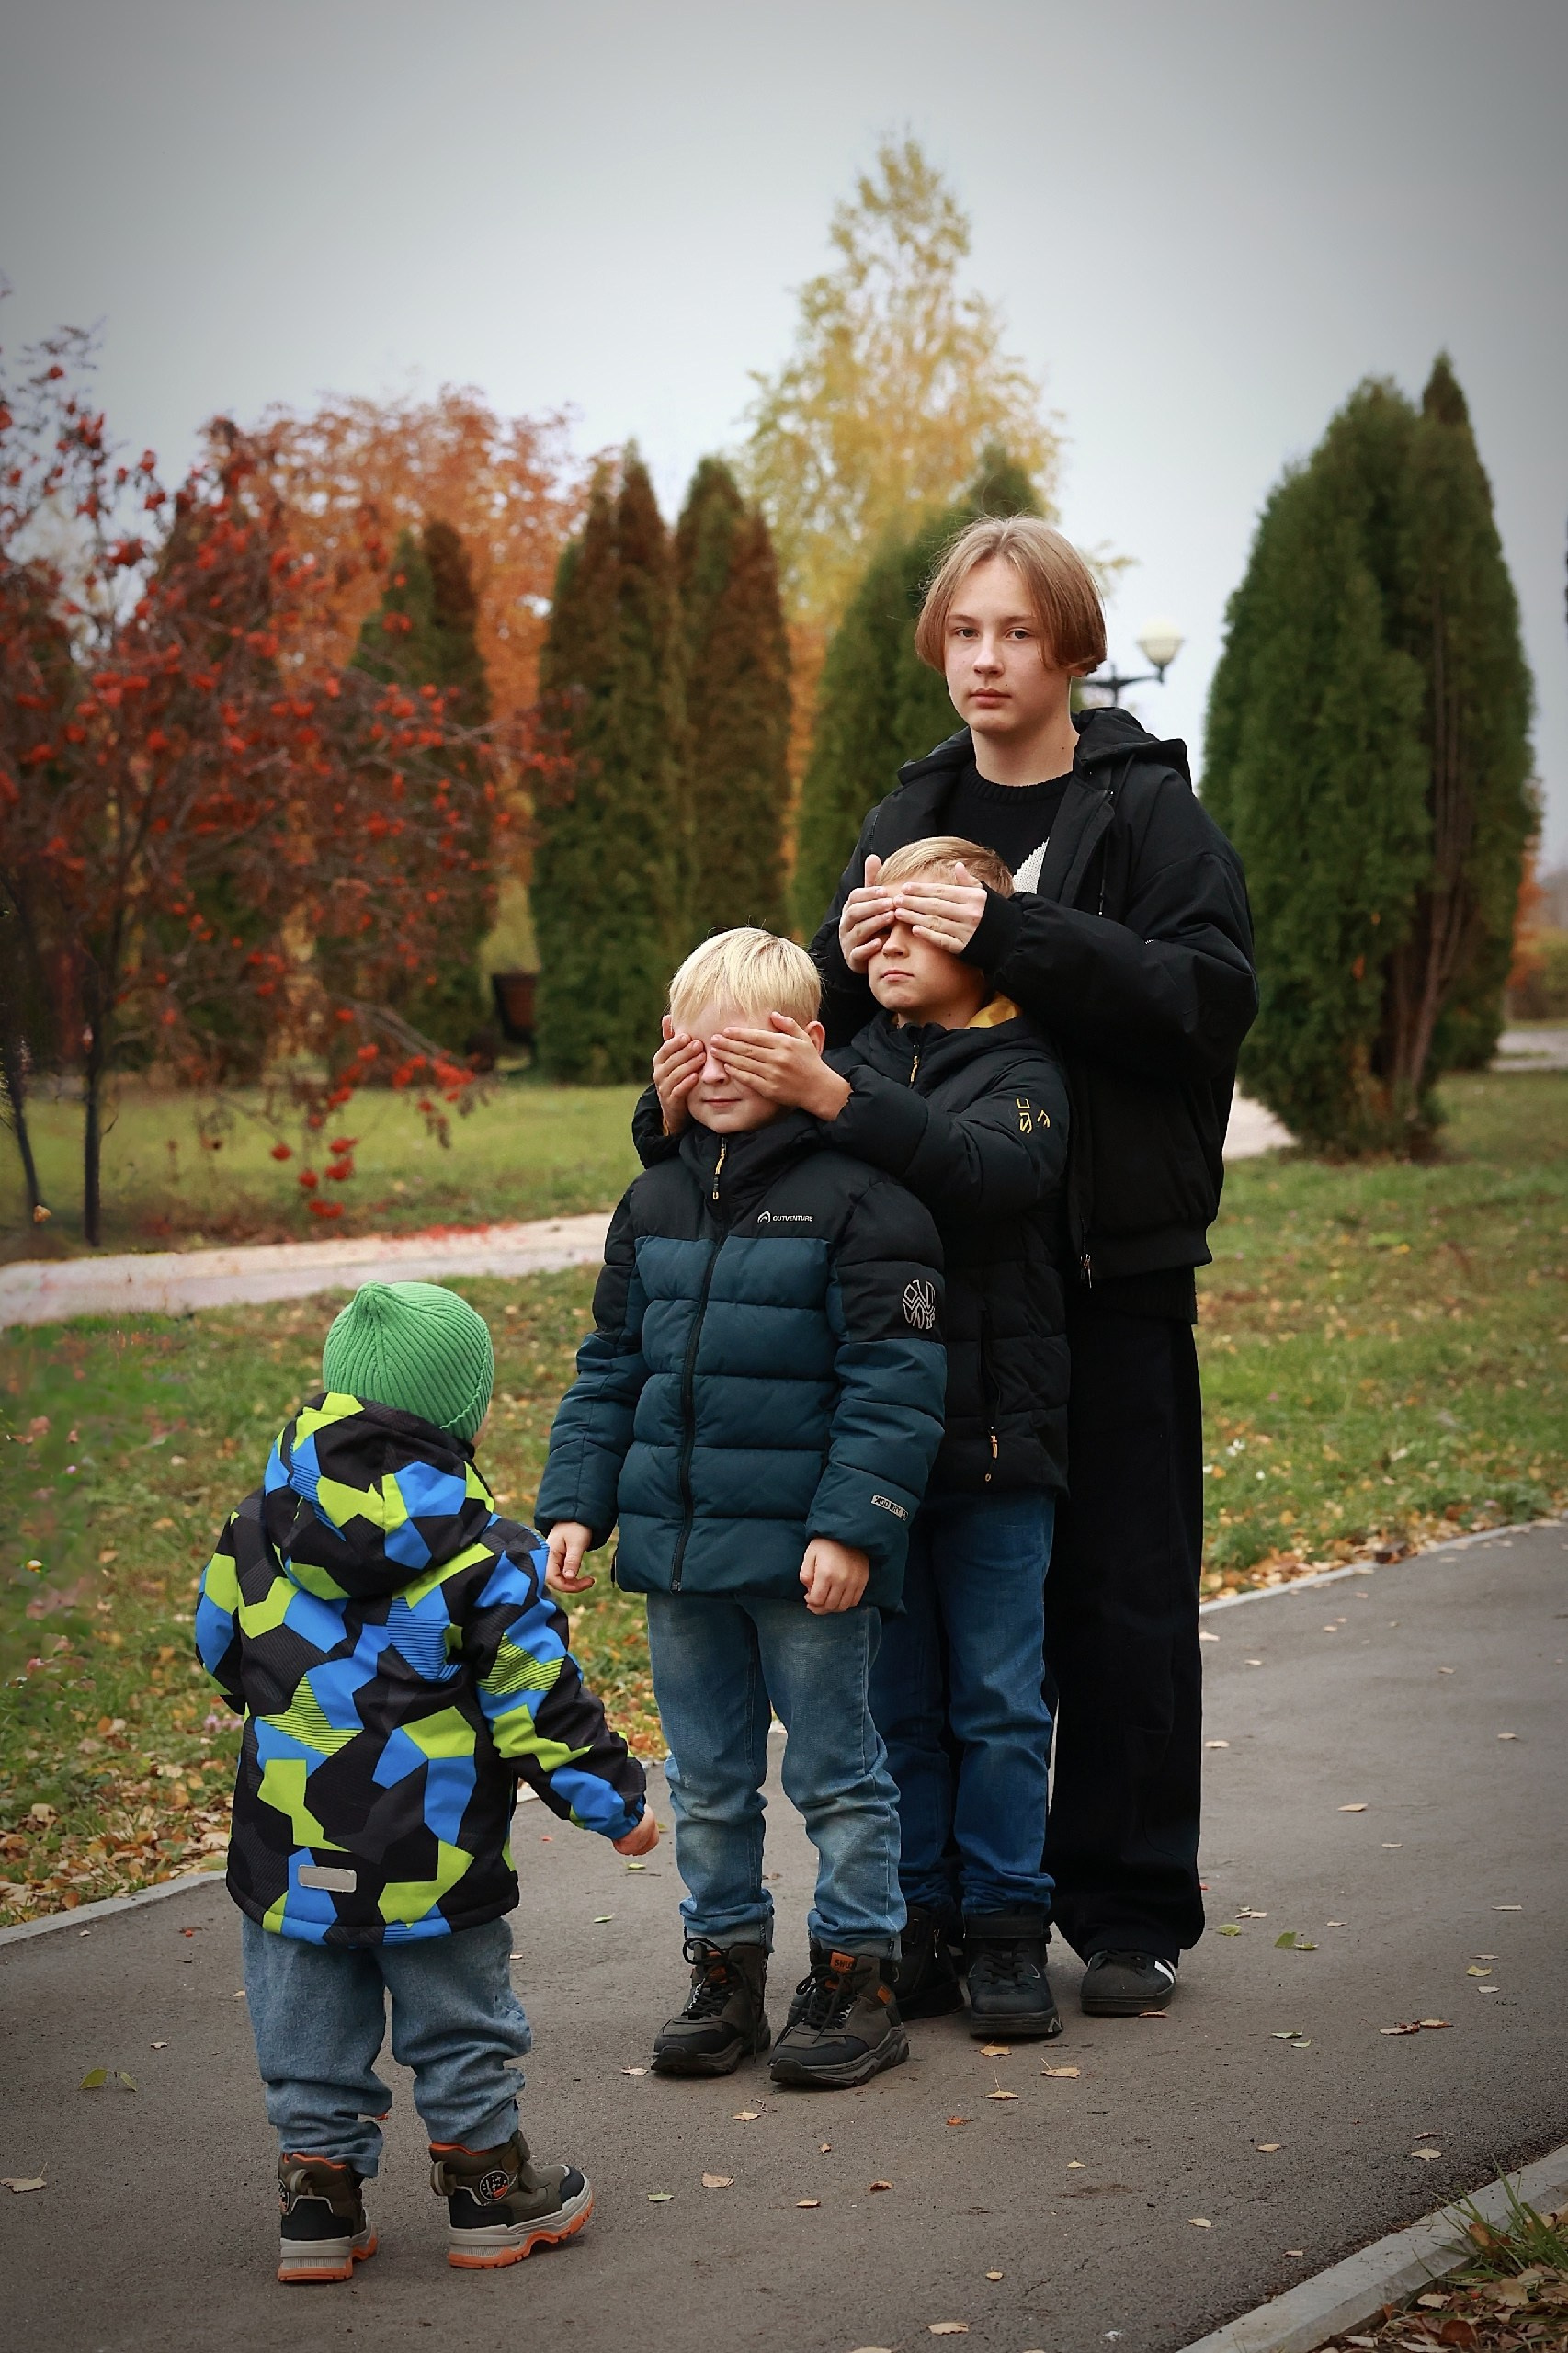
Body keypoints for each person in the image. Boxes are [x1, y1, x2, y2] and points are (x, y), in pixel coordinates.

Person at [803, 515, 1256, 2015]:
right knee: (936, 1621)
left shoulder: (1146, 815)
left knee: (1119, 1599)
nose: (985, 660)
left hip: (1112, 1273)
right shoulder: (908, 809)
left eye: (1013, 634)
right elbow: (832, 1018)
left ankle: (1126, 1914)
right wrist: (811, 968)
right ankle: (947, 1912)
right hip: (943, 1292)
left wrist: (1015, 925)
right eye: (962, 635)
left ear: (1068, 648)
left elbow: (1196, 1004)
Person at [536, 926, 947, 2089]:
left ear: (810, 1045)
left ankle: (857, 1975)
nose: (716, 1072)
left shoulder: (864, 1199)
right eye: (692, 1048)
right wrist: (577, 1502)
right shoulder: (653, 1200)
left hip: (808, 1560)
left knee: (835, 1774)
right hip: (678, 1556)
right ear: (667, 1050)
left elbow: (895, 1381)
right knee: (706, 1780)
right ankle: (724, 1971)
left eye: (748, 1049)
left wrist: (852, 1523)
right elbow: (610, 1362)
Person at [195, 1279, 656, 2284]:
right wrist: (611, 1800)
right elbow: (536, 1698)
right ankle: (487, 2188)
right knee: (457, 2014)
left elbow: (217, 1640)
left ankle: (317, 2200)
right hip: (432, 1846)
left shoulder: (260, 1518)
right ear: (463, 1412)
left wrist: (289, 1714)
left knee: (306, 2012)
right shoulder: (488, 1551)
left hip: (290, 1837)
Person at [700, 836, 1071, 2038]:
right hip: (871, 1467)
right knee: (895, 1714)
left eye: (924, 921)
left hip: (997, 1453)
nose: (891, 942)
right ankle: (917, 1925)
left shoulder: (1025, 1065)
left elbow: (978, 1173)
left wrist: (834, 1099)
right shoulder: (846, 1054)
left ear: (983, 933)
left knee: (1002, 1705)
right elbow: (726, 1175)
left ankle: (1009, 1931)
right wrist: (675, 1120)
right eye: (874, 920)